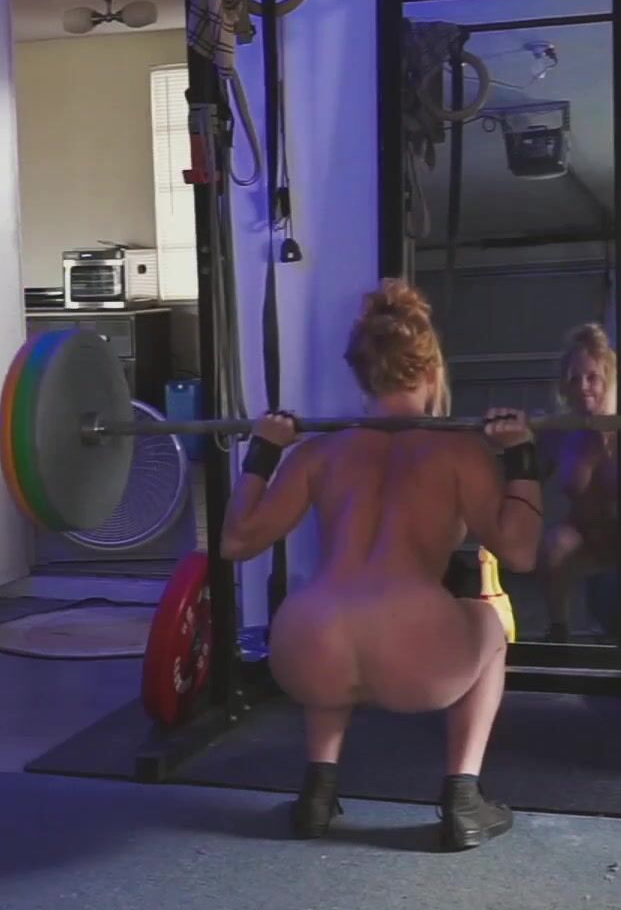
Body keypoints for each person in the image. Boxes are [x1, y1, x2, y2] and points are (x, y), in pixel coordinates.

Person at [214, 279, 543, 851]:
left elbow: (235, 542)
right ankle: (463, 798)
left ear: (363, 376)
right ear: (432, 371)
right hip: (411, 648)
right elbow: (519, 551)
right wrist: (521, 456)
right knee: (489, 624)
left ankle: (317, 792)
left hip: (305, 643)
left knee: (334, 623)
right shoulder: (459, 452)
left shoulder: (318, 451)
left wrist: (264, 450)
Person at [539, 323, 620, 643]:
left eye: (592, 377)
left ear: (608, 379)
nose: (583, 387)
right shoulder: (558, 432)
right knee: (555, 545)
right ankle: (558, 630)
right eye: (574, 379)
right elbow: (524, 480)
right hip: (584, 541)